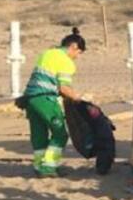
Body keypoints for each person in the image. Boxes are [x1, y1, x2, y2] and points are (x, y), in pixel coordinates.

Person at [22, 27, 86, 177]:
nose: (77, 57)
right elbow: (63, 88)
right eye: (79, 53)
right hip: (45, 99)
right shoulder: (66, 62)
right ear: (73, 47)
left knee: (39, 134)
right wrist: (78, 99)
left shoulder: (46, 53)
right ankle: (49, 167)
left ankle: (38, 165)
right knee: (60, 134)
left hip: (30, 98)